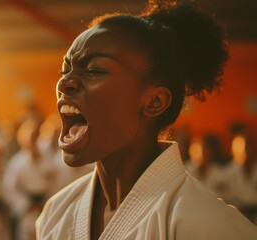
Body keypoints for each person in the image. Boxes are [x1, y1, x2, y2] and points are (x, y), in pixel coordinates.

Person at [36, 2, 257, 239]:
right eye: (66, 69)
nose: (64, 83)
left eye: (94, 69)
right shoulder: (56, 213)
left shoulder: (206, 224)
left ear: (154, 102)